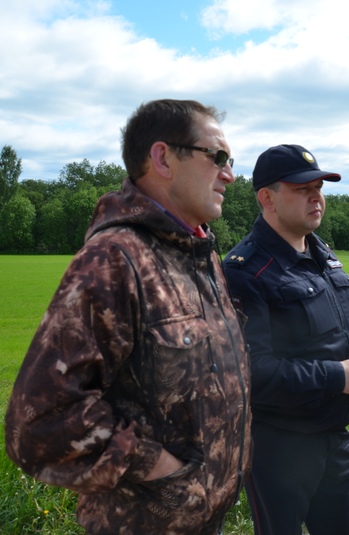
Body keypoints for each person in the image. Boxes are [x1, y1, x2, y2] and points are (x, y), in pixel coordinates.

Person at [4, 99, 252, 534]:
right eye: (217, 157)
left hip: (204, 519)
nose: (229, 173)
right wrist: (159, 467)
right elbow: (39, 420)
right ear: (162, 158)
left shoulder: (199, 255)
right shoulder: (115, 259)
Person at [223, 144, 349, 535]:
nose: (316, 197)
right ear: (267, 198)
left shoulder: (322, 254)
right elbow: (250, 373)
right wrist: (334, 376)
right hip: (279, 446)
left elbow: (348, 322)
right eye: (301, 188)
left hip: (333, 437)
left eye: (319, 187)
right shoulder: (245, 272)